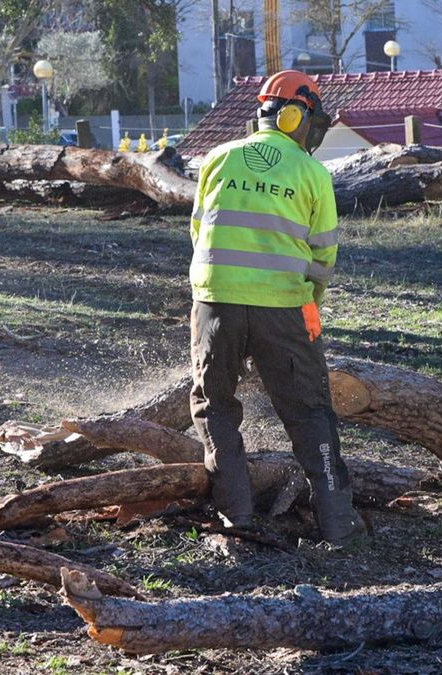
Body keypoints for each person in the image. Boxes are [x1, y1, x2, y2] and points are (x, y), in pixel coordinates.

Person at [188, 70, 365, 546]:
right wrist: (307, 306)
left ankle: (235, 514)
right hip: (285, 307)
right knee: (309, 411)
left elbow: (198, 229)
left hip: (214, 302)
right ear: (295, 117)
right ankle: (336, 522)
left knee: (215, 406)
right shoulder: (312, 174)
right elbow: (323, 259)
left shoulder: (218, 157)